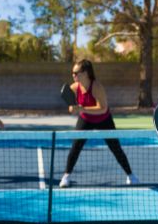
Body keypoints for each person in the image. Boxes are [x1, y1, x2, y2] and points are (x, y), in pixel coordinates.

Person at [59, 59, 138, 188]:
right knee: (75, 147)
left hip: (103, 120)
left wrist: (82, 108)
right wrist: (72, 108)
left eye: (76, 73)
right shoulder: (74, 87)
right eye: (72, 73)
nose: (73, 75)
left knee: (116, 148)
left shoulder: (96, 87)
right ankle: (66, 177)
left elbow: (103, 108)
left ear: (85, 73)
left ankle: (131, 176)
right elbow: (71, 106)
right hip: (85, 120)